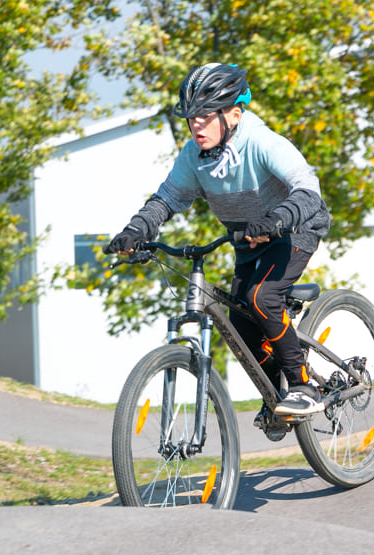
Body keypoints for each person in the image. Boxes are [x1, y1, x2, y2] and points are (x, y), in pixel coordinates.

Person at [104, 63, 331, 417]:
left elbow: (308, 192)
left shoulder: (261, 141)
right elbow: (166, 199)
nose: (196, 124)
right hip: (247, 237)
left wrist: (276, 220)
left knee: (261, 298)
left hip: (294, 228)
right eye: (191, 116)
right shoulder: (193, 155)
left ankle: (304, 385)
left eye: (205, 115)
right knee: (240, 323)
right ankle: (278, 398)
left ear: (235, 114)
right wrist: (136, 231)